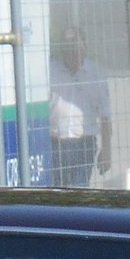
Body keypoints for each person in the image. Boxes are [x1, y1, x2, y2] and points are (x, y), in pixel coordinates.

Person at [49, 26, 113, 187]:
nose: (71, 48)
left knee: (79, 190)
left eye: (75, 43)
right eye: (67, 43)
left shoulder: (96, 74)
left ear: (84, 46)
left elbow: (105, 116)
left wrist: (106, 150)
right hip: (55, 144)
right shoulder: (50, 71)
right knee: (56, 191)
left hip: (84, 144)